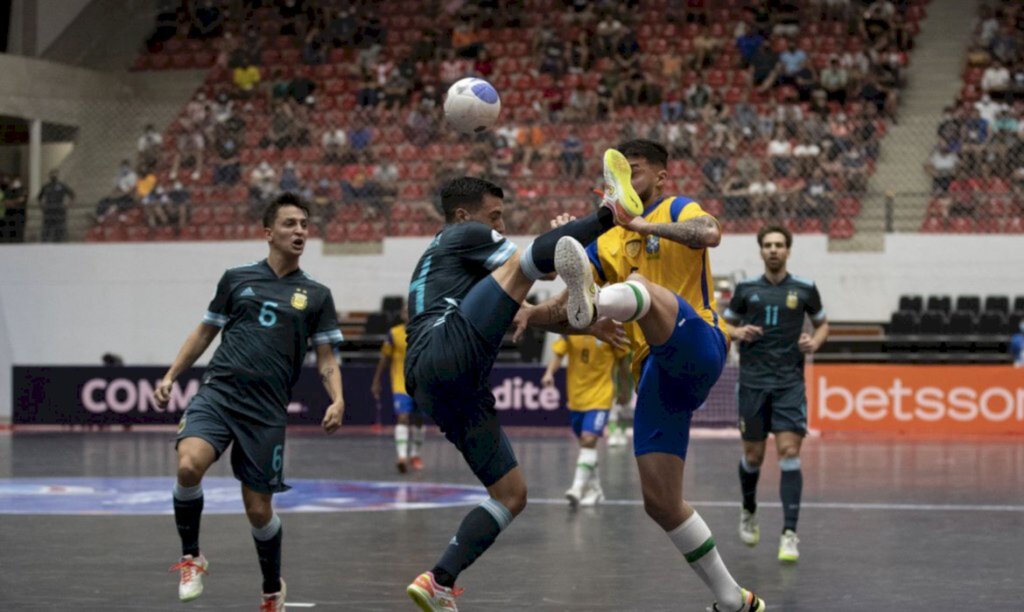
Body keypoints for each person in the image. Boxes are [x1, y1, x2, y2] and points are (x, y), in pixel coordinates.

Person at [524, 139, 765, 612]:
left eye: (633, 172)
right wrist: (529, 314)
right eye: (616, 176)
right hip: (653, 373)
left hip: (699, 342)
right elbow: (562, 307)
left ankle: (600, 299)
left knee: (638, 288)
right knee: (660, 502)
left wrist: (642, 223)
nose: (624, 183)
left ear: (660, 178)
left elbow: (709, 233)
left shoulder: (676, 207)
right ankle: (733, 599)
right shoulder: (606, 238)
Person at [403, 151, 643, 611]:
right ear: (462, 215)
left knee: (511, 495)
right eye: (494, 217)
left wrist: (585, 321)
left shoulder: (460, 267)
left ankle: (439, 581)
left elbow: (525, 310)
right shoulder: (464, 234)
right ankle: (614, 209)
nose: (499, 224)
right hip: (442, 346)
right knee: (526, 262)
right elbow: (535, 264)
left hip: (447, 384)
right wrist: (585, 229)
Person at [154, 193, 346, 611]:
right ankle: (192, 557)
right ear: (268, 233)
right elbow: (204, 332)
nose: (300, 231)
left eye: (304, 225)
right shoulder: (236, 279)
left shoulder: (315, 294)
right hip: (219, 394)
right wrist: (172, 375)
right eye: (291, 224)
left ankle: (272, 588)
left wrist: (338, 398)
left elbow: (326, 356)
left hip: (266, 411)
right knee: (188, 464)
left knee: (259, 511)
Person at [722, 225, 829, 564]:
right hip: (752, 382)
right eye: (767, 245)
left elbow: (823, 323)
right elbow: (723, 325)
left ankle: (789, 534)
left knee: (788, 452)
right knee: (754, 457)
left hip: (789, 383)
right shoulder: (745, 289)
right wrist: (737, 331)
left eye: (779, 245)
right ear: (760, 251)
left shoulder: (806, 288)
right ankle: (749, 508)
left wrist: (816, 341)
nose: (773, 250)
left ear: (788, 250)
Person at [541, 333, 629, 506]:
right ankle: (595, 490)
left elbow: (623, 363)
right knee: (586, 446)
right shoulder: (570, 330)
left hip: (601, 397)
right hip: (576, 398)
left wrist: (625, 390)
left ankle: (577, 487)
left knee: (589, 440)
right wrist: (549, 373)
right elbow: (559, 354)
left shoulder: (610, 329)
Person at [371, 300, 427, 473]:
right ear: (402, 315)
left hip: (421, 383)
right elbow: (384, 358)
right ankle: (402, 456)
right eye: (405, 311)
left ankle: (415, 454)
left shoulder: (424, 331)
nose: (407, 314)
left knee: (418, 420)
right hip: (400, 383)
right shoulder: (394, 334)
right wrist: (376, 381)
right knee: (403, 417)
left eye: (410, 311)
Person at [37, 170, 74, 243]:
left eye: (55, 174)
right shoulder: (46, 186)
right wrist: (42, 206)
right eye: (52, 174)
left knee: (60, 228)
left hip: (59, 209)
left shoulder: (62, 186)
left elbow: (72, 195)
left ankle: (59, 242)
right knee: (46, 228)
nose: (53, 176)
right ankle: (45, 242)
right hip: (49, 210)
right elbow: (39, 198)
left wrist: (68, 205)